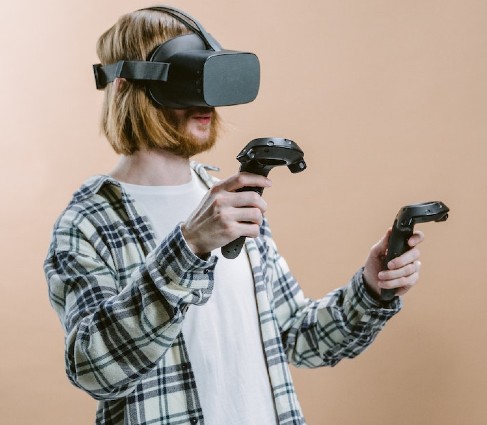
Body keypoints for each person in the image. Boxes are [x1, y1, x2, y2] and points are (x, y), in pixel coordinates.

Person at [44, 7, 424, 425]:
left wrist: (371, 288)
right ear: (127, 85)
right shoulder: (88, 221)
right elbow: (93, 369)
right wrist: (188, 247)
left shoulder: (227, 199)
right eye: (186, 79)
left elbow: (297, 337)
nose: (205, 100)